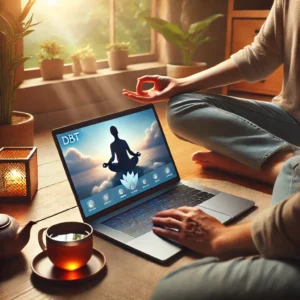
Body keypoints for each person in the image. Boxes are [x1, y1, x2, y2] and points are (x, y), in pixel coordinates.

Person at [123, 0, 300, 298]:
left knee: (171, 290)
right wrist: (182, 84)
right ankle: (282, 162)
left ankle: (280, 164)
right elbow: (259, 57)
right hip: (289, 119)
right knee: (182, 106)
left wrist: (224, 237)